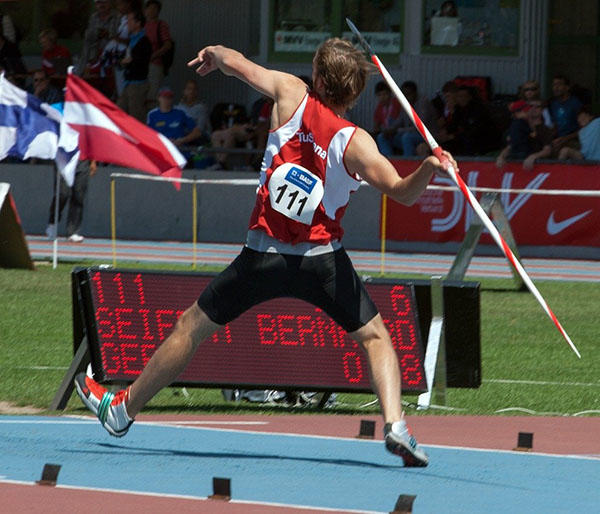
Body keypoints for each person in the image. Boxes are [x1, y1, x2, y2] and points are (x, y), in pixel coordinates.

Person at [74, 38, 459, 468]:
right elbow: (403, 194)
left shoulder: (290, 92)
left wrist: (215, 53)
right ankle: (395, 426)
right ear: (353, 94)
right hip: (322, 261)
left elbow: (238, 65)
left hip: (263, 256)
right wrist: (429, 166)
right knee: (375, 338)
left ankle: (122, 411)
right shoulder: (358, 143)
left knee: (191, 328)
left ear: (317, 76)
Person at [495, 100, 554, 170]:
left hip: (537, 167)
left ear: (542, 110)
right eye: (531, 106)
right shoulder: (519, 126)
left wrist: (533, 156)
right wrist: (501, 156)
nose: (533, 108)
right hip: (519, 166)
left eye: (537, 107)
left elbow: (547, 150)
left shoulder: (544, 129)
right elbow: (511, 146)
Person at [45, 160, 96, 242]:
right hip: (64, 159)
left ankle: (73, 232)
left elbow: (91, 146)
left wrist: (93, 161)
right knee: (62, 194)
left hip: (83, 161)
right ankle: (52, 223)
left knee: (78, 196)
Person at [116, 9, 152, 122]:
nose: (127, 23)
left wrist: (129, 61)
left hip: (138, 84)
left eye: (130, 20)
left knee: (136, 117)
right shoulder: (132, 40)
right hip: (128, 82)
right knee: (119, 110)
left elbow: (140, 60)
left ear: (138, 23)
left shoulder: (144, 41)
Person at [144, 0, 173, 109]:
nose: (151, 11)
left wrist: (154, 55)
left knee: (152, 94)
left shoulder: (161, 25)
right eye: (149, 8)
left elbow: (167, 44)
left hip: (155, 64)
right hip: (141, 65)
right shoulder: (142, 25)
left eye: (154, 9)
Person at [78, 0, 119, 77]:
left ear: (110, 3)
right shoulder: (93, 17)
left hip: (111, 59)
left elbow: (118, 37)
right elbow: (89, 38)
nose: (101, 5)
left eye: (104, 2)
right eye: (98, 2)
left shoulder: (117, 17)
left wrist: (106, 34)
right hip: (94, 58)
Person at [547, 74, 582, 154]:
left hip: (572, 140)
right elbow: (553, 126)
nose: (556, 88)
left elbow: (583, 129)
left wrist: (565, 138)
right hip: (557, 140)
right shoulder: (552, 104)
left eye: (559, 84)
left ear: (567, 87)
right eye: (554, 85)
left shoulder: (575, 104)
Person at [174, 79, 210, 144]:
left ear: (197, 92)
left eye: (194, 89)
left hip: (198, 138)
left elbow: (199, 131)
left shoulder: (201, 108)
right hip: (180, 136)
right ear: (184, 91)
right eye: (189, 89)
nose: (191, 91)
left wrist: (182, 140)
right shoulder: (177, 108)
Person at [372, 80, 402, 156]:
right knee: (380, 137)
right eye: (380, 95)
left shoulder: (397, 103)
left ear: (390, 94)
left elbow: (403, 121)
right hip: (387, 134)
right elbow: (376, 126)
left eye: (385, 94)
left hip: (400, 133)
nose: (383, 97)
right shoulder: (379, 108)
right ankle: (388, 160)